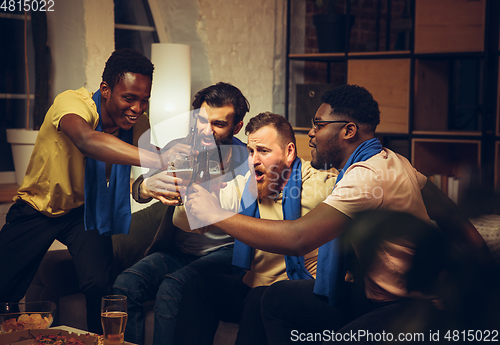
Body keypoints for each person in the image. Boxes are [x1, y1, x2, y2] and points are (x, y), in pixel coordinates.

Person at [184, 84, 492, 344]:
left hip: (408, 305)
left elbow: (297, 238)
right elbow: (452, 217)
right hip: (373, 294)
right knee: (274, 297)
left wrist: (214, 213)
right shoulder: (393, 160)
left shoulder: (366, 177)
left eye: (318, 125)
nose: (312, 135)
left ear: (348, 130)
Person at [0, 48, 183, 333]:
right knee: (4, 285)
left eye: (144, 100)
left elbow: (147, 179)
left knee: (99, 284)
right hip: (38, 207)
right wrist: (158, 158)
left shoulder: (135, 124)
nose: (137, 108)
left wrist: (177, 172)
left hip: (83, 212)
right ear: (105, 89)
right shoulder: (73, 102)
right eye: (129, 98)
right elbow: (87, 140)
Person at [173, 112, 336, 345]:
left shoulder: (323, 184)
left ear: (289, 152)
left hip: (300, 294)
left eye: (263, 151)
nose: (253, 160)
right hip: (252, 288)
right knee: (198, 286)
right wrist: (192, 191)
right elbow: (185, 222)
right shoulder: (245, 185)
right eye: (250, 152)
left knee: (260, 299)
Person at [113, 82, 250, 345]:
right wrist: (146, 186)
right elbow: (138, 189)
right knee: (125, 285)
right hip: (178, 248)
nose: (206, 131)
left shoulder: (248, 159)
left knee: (172, 287)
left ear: (237, 127)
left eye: (218, 124)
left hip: (226, 253)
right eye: (201, 120)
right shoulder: (179, 148)